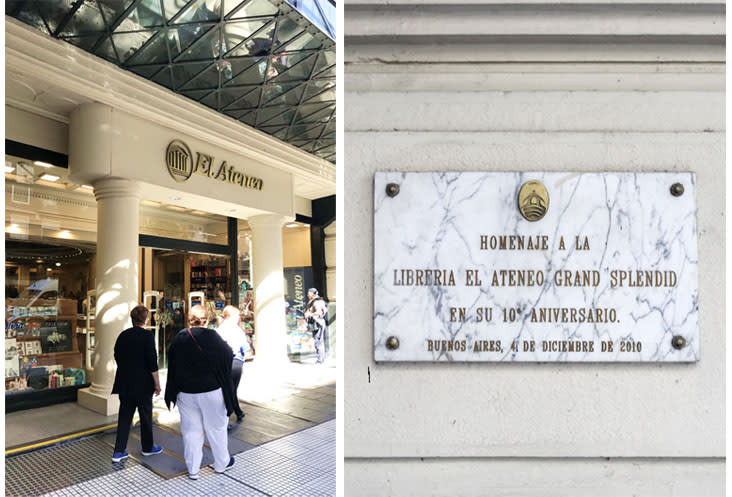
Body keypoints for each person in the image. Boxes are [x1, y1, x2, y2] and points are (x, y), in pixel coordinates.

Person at [164, 305, 236, 480]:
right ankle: (221, 463)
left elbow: (171, 361)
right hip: (212, 390)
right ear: (207, 319)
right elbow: (228, 354)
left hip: (186, 392)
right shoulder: (213, 337)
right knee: (216, 427)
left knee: (191, 430)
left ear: (189, 319)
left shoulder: (180, 337)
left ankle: (193, 469)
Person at [111, 305, 163, 463]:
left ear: (132, 319)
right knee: (145, 415)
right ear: (146, 319)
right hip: (143, 384)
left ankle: (118, 451)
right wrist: (157, 383)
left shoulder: (123, 336)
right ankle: (147, 448)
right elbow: (152, 362)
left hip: (125, 382)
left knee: (125, 416)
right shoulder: (147, 336)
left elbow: (117, 356)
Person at [216, 306, 250, 422]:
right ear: (232, 316)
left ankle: (237, 411)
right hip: (235, 361)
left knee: (229, 388)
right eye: (237, 315)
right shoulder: (235, 330)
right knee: (231, 389)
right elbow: (244, 347)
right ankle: (230, 412)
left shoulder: (219, 329)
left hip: (223, 362)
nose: (239, 318)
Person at [304, 288, 328, 364]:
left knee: (318, 341)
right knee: (319, 341)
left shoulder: (316, 302)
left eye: (309, 293)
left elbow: (319, 312)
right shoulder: (320, 300)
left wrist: (309, 314)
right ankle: (321, 359)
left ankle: (320, 360)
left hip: (317, 323)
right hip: (319, 322)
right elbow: (324, 311)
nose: (307, 295)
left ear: (312, 294)